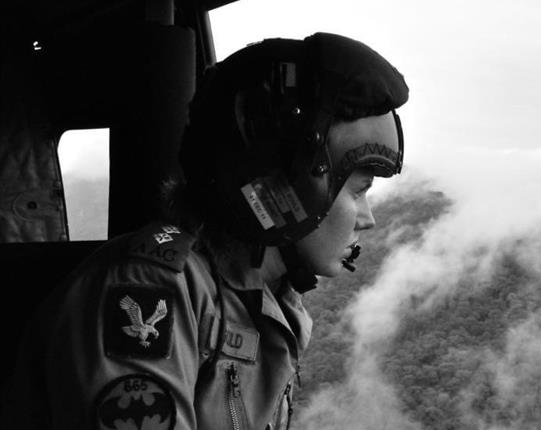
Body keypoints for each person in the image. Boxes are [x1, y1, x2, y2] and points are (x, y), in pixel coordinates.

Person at [1, 32, 408, 430]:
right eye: (359, 190)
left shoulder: (266, 299)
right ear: (290, 185)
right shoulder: (149, 291)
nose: (367, 217)